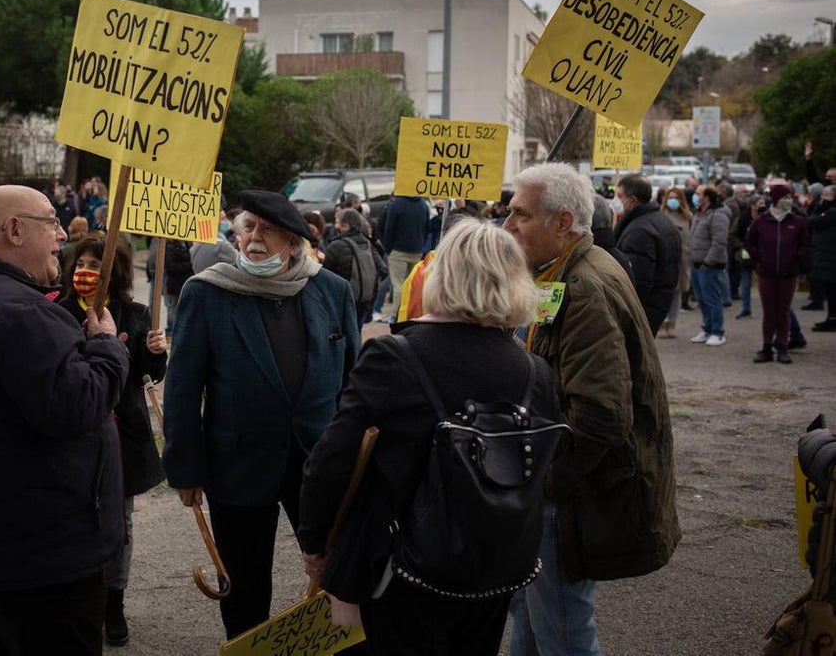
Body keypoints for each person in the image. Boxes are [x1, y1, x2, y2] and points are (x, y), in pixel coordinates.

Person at [300, 218, 561, 655]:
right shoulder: (533, 370)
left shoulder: (393, 355)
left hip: (402, 567)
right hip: (495, 564)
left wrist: (315, 540)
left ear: (443, 274)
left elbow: (334, 459)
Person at [0, 185, 129, 655]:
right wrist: (108, 346)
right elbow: (79, 404)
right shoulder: (19, 310)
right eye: (50, 222)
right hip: (41, 554)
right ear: (15, 230)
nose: (60, 236)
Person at [162, 190, 361, 639]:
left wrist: (354, 457)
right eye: (248, 226)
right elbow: (182, 390)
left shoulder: (332, 290)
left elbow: (353, 384)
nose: (254, 237)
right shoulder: (207, 292)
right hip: (237, 464)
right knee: (245, 584)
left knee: (337, 570)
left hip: (319, 461)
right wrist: (185, 468)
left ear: (294, 242)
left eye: (268, 229)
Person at [502, 163, 680, 656]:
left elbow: (601, 415)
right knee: (533, 619)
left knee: (561, 629)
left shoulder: (582, 286)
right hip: (557, 484)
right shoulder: (564, 270)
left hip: (568, 491)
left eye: (520, 214)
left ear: (562, 222)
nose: (507, 224)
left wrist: (546, 481)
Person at [58, 235, 167, 647]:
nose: (86, 271)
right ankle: (80, 597)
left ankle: (113, 602)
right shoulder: (56, 311)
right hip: (75, 438)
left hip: (122, 440)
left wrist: (156, 353)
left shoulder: (135, 315)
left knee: (120, 525)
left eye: (96, 265)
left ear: (115, 273)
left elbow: (149, 375)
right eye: (81, 262)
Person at [745, 183, 811, 364]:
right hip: (766, 273)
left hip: (788, 274)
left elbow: (805, 245)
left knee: (783, 311)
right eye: (784, 197)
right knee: (769, 311)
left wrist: (796, 260)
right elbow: (750, 243)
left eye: (789, 197)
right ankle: (766, 347)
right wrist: (759, 259)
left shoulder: (797, 222)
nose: (788, 200)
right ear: (775, 199)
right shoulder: (761, 220)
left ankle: (782, 345)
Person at [614, 174, 681, 336]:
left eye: (620, 196)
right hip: (658, 303)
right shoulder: (661, 220)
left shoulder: (640, 231)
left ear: (633, 200)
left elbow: (638, 281)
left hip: (643, 310)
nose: (616, 201)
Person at [688, 184, 731, 346]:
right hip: (697, 264)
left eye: (698, 193)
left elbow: (719, 242)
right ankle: (707, 328)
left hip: (709, 266)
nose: (695, 195)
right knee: (702, 299)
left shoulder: (718, 215)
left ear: (707, 197)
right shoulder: (700, 213)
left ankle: (717, 331)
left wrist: (708, 261)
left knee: (712, 299)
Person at [323, 208, 379, 324]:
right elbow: (381, 269)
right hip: (363, 298)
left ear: (344, 224)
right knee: (356, 334)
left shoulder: (336, 246)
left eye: (337, 221)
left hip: (343, 300)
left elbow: (325, 275)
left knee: (343, 335)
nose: (335, 225)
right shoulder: (366, 243)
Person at [382, 195, 430, 320]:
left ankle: (397, 315)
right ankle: (412, 313)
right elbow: (426, 227)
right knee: (414, 284)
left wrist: (388, 248)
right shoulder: (423, 205)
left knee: (398, 284)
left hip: (398, 250)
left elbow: (389, 228)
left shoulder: (396, 204)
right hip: (417, 249)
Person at [658, 188, 693, 338]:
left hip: (682, 260)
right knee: (664, 293)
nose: (673, 200)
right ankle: (662, 323)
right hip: (665, 259)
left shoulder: (687, 217)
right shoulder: (661, 216)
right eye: (670, 197)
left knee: (677, 293)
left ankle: (672, 323)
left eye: (676, 198)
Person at [734, 194, 766, 320]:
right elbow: (733, 234)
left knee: (764, 284)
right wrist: (743, 246)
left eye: (764, 203)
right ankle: (746, 310)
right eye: (760, 203)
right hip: (746, 254)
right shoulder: (742, 218)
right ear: (752, 205)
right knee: (745, 284)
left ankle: (768, 309)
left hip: (763, 254)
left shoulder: (767, 218)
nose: (763, 206)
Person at [809, 186, 836, 332]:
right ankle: (831, 318)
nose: (822, 198)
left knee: (832, 289)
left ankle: (832, 319)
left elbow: (812, 221)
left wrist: (820, 206)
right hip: (827, 255)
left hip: (830, 255)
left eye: (826, 195)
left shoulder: (832, 212)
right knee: (830, 288)